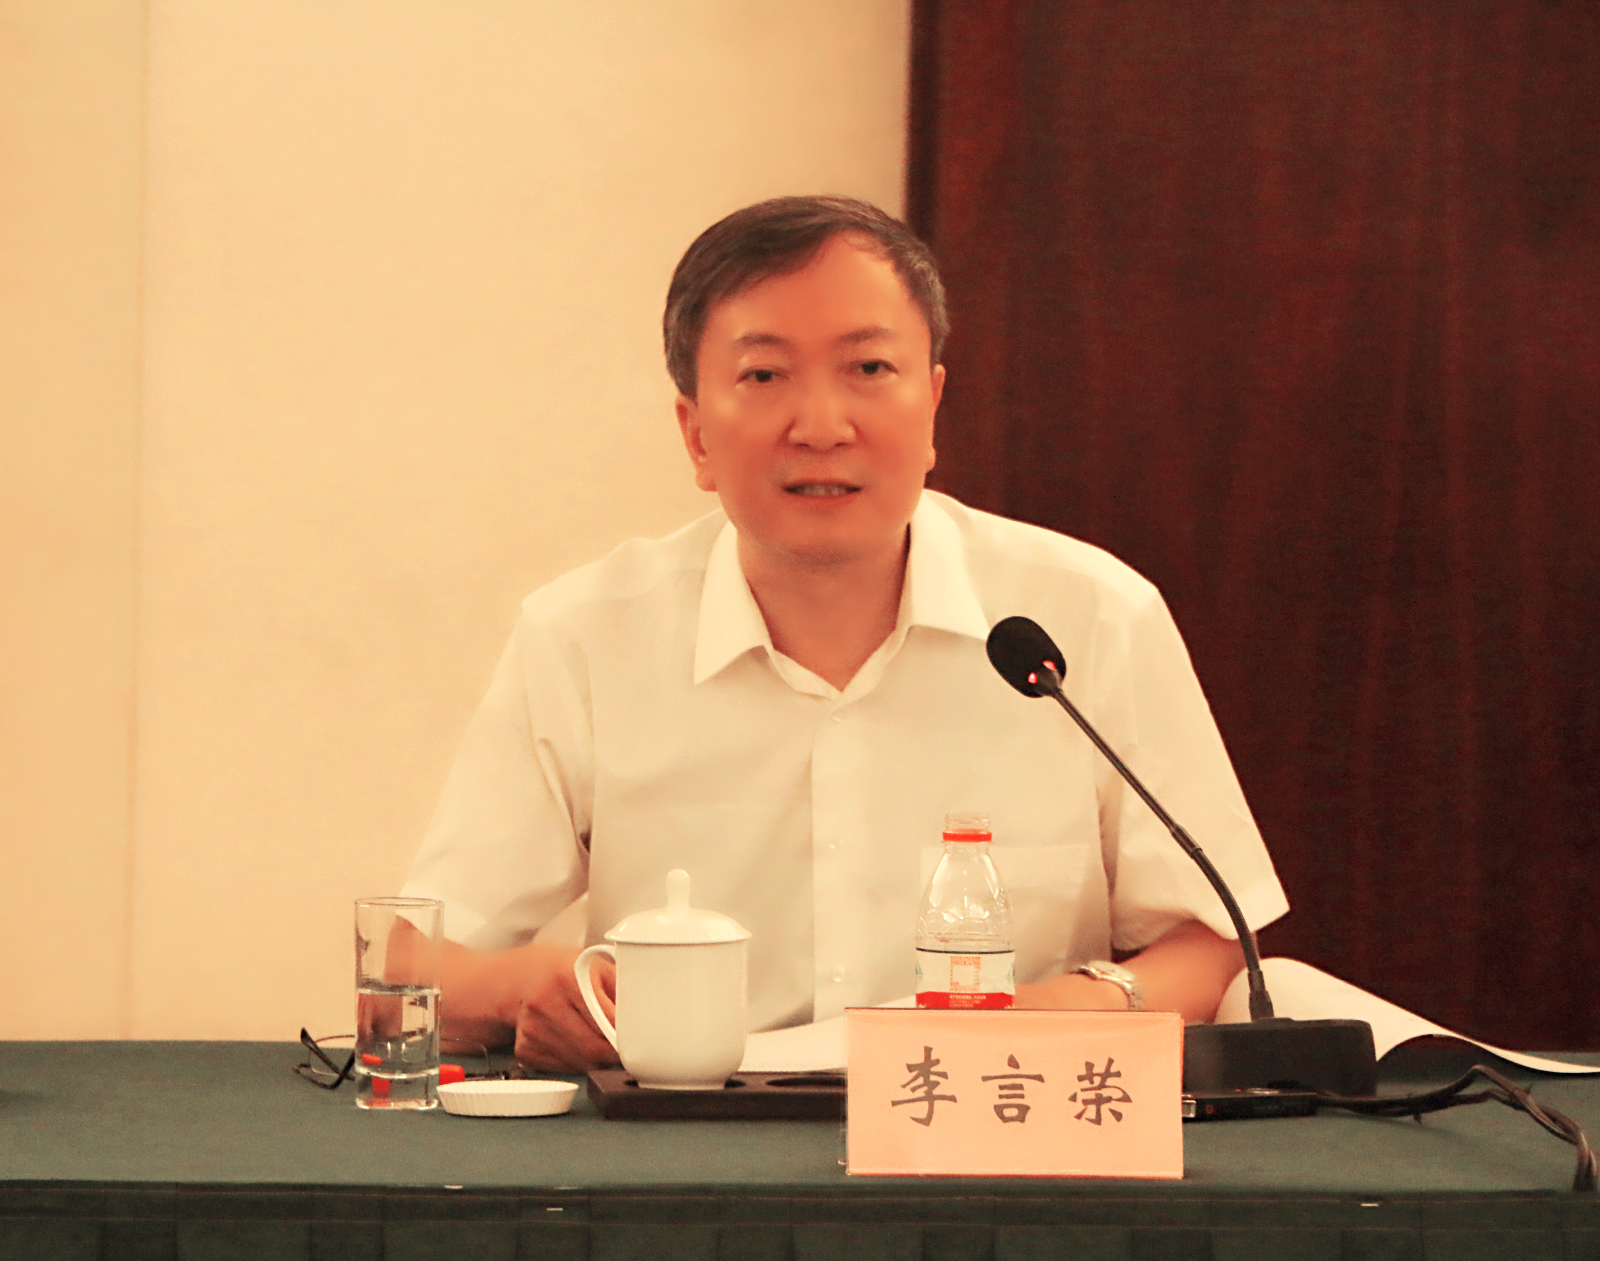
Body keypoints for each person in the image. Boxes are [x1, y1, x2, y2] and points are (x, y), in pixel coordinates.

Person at [401, 196, 1289, 1071]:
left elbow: (1211, 939)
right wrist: (528, 988)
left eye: (868, 368)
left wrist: (1072, 1006)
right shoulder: (586, 637)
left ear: (932, 403)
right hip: (689, 1138)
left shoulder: (1091, 616)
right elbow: (407, 968)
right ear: (696, 433)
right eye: (764, 376)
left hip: (993, 1126)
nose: (823, 427)